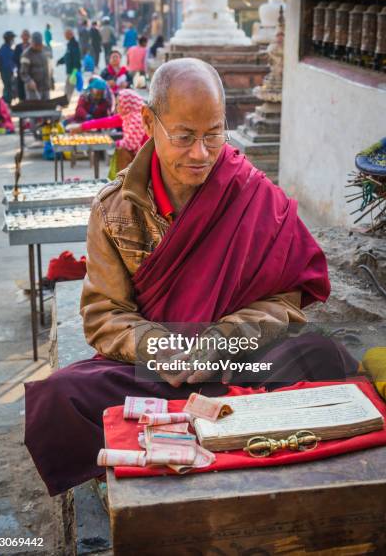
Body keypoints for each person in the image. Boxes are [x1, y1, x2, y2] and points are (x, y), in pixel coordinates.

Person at [25, 58, 358, 497]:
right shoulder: (114, 209)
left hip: (238, 361)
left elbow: (286, 298)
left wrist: (221, 340)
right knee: (60, 398)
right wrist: (165, 350)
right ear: (149, 121)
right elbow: (105, 313)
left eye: (213, 134)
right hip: (157, 371)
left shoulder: (251, 191)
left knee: (324, 356)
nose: (200, 153)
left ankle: (173, 436)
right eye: (184, 136)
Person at [19, 32, 50, 100]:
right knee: (35, 109)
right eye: (36, 45)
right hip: (33, 90)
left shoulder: (45, 50)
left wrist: (51, 81)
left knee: (47, 108)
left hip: (45, 87)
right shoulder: (26, 54)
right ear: (32, 43)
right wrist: (29, 81)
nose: (38, 47)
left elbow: (48, 67)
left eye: (39, 45)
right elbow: (23, 73)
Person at [57, 28, 81, 102]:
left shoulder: (74, 44)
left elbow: (76, 58)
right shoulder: (69, 44)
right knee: (67, 86)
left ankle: (66, 101)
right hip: (70, 71)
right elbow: (67, 56)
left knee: (70, 87)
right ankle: (65, 100)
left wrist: (75, 70)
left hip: (73, 71)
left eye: (66, 35)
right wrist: (60, 61)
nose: (65, 36)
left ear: (70, 35)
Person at [0, 31, 16, 105]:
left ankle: (5, 103)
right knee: (8, 88)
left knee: (7, 87)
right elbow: (10, 63)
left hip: (4, 72)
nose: (13, 40)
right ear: (9, 39)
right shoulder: (7, 50)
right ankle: (5, 104)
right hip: (7, 72)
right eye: (12, 39)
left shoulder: (3, 48)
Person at [14, 29, 31, 102]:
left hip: (30, 72)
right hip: (20, 71)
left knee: (29, 89)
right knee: (21, 89)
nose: (25, 37)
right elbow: (14, 58)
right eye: (24, 35)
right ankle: (21, 102)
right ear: (21, 37)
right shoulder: (18, 47)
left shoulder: (31, 46)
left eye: (27, 35)